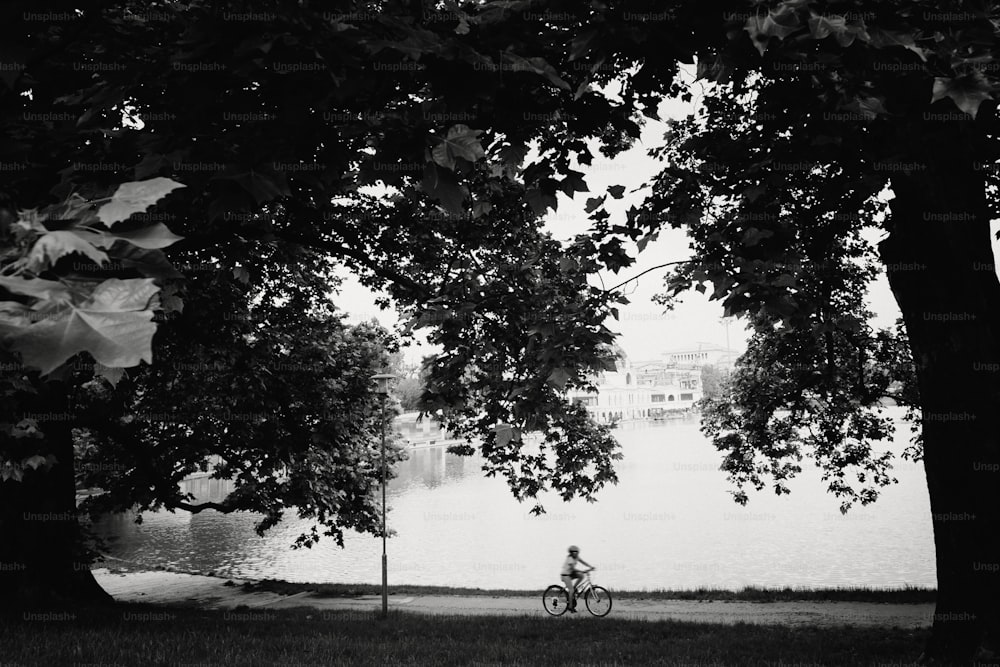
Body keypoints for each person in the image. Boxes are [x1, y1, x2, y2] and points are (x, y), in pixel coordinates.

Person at [560, 545, 593, 612]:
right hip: (565, 575)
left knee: (581, 576)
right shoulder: (570, 559)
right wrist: (582, 571)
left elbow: (583, 562)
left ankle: (574, 587)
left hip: (570, 574)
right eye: (573, 552)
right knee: (571, 591)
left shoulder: (577, 557)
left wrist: (590, 567)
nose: (575, 553)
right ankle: (570, 607)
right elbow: (573, 569)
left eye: (576, 552)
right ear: (571, 553)